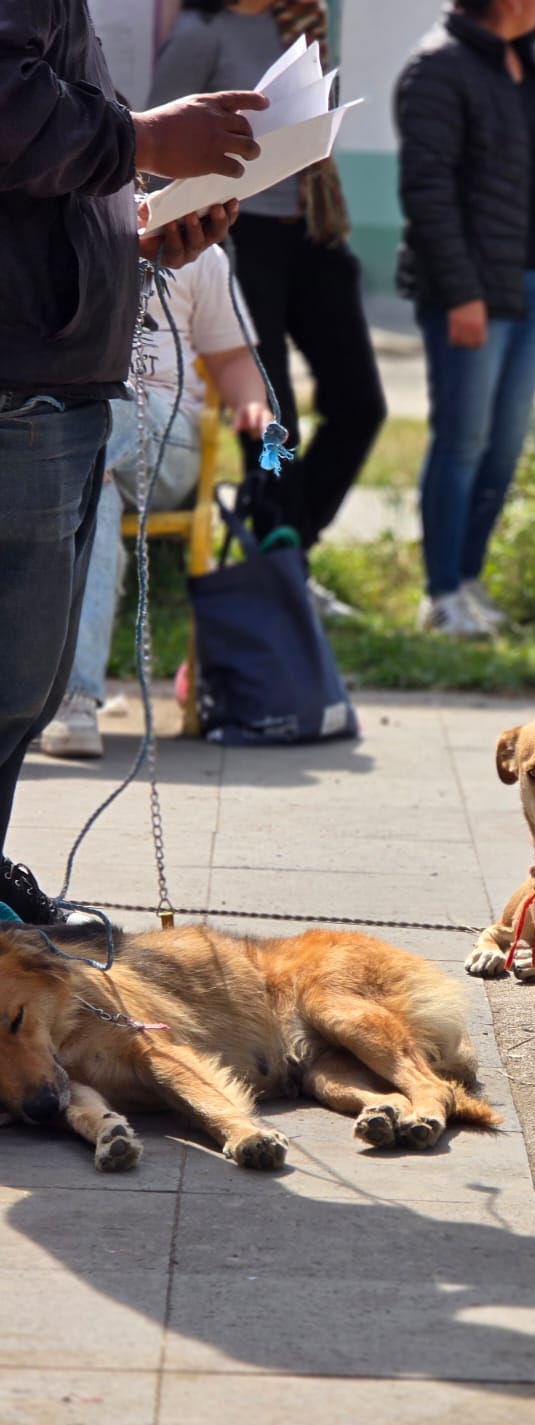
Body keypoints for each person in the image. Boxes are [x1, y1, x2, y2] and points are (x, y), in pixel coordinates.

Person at [0, 0, 268, 925]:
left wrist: (131, 237)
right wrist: (149, 132)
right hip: (19, 383)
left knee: (23, 683)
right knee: (9, 680)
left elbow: (43, 170)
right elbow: (9, 109)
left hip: (56, 373)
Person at [149, 0, 387, 561]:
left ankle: (286, 549)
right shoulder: (199, 34)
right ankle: (280, 560)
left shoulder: (301, 21)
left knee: (360, 406)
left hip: (313, 229)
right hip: (238, 237)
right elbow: (157, 154)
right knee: (272, 419)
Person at [394, 0, 535, 638]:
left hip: (533, 284)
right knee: (461, 443)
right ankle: (441, 594)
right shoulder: (437, 70)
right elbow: (427, 191)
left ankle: (469, 578)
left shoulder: (525, 65)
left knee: (505, 445)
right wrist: (460, 293)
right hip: (473, 291)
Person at [38, 246, 272, 760]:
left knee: (93, 425)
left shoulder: (201, 255)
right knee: (93, 490)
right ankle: (73, 701)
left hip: (168, 439)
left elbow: (231, 356)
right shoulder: (68, 233)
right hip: (85, 450)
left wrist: (255, 409)